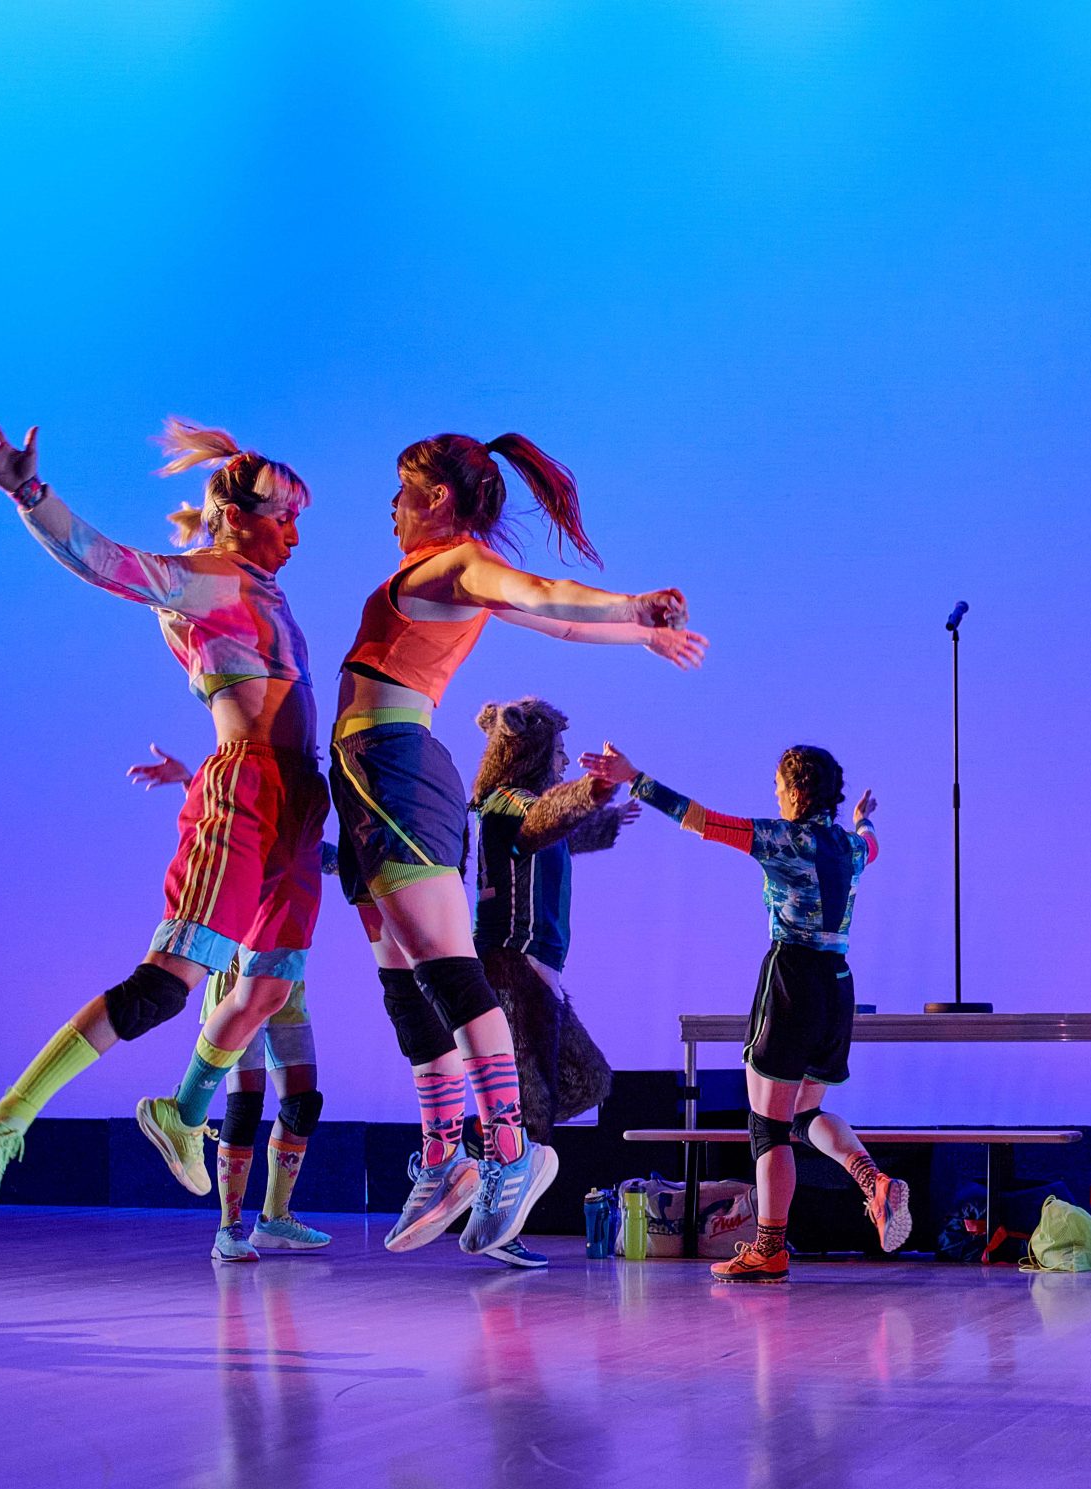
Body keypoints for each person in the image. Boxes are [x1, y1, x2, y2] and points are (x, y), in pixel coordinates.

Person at [336, 432, 705, 1259]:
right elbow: (555, 625)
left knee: (438, 954)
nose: (391, 507)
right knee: (399, 970)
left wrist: (630, 607)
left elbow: (545, 592)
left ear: (437, 499)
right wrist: (637, 632)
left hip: (395, 764)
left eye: (402, 491)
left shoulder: (454, 563)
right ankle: (443, 1153)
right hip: (363, 773)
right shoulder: (438, 575)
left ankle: (509, 1147)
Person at [0, 417, 326, 1210]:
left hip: (296, 805)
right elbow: (106, 563)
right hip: (250, 796)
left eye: (298, 518)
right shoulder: (209, 579)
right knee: (168, 985)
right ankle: (4, 1120)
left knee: (266, 987)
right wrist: (29, 493)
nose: (294, 533)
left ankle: (180, 1115)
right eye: (282, 515)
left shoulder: (268, 594)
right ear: (234, 516)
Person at [578, 741, 907, 1281]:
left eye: (779, 785)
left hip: (793, 981)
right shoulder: (848, 848)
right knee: (803, 1114)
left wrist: (634, 776)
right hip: (838, 985)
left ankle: (770, 1247)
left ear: (797, 791)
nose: (775, 794)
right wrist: (863, 820)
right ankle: (872, 1180)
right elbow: (871, 846)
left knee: (768, 1126)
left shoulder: (781, 839)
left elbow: (700, 820)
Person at [131, 745, 335, 1262]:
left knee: (303, 1100)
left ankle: (275, 1218)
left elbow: (314, 855)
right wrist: (189, 781)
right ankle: (230, 1229)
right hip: (241, 965)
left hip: (289, 966)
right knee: (245, 1103)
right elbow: (226, 829)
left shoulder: (310, 793)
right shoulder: (257, 778)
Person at [468, 698, 638, 1269]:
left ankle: (488, 1158)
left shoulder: (518, 807)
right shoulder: (512, 804)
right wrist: (593, 793)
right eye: (560, 753)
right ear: (535, 752)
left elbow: (560, 832)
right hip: (511, 965)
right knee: (529, 1104)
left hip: (536, 968)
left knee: (583, 1079)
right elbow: (547, 818)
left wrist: (605, 818)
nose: (564, 762)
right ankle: (497, 1216)